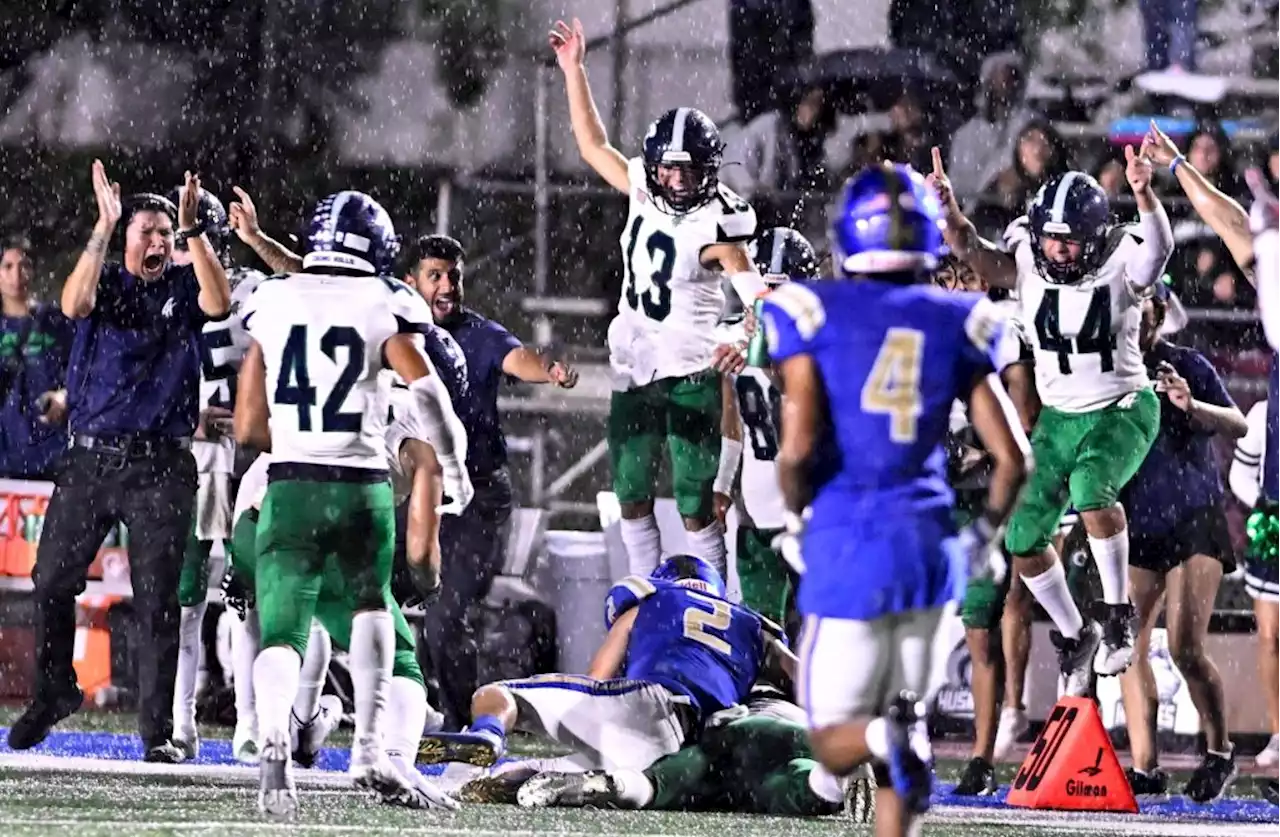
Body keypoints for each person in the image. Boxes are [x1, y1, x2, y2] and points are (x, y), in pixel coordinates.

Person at [763, 162, 1029, 834]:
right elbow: (1014, 457)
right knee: (897, 741)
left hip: (851, 539)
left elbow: (796, 450)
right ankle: (897, 743)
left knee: (832, 742)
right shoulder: (962, 317)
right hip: (932, 550)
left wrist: (798, 515)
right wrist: (985, 536)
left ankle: (888, 740)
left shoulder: (813, 309)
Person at [231, 190, 470, 816]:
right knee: (370, 606)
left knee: (281, 632)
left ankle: (274, 733)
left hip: (285, 485)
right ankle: (369, 748)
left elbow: (248, 422)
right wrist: (456, 467)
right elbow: (429, 397)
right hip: (360, 486)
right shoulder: (385, 302)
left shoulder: (276, 298)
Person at [6, 164, 231, 763]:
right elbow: (73, 302)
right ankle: (56, 688)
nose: (157, 242)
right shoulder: (103, 278)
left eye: (164, 233)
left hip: (161, 465)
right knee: (51, 579)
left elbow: (219, 299)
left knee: (157, 601)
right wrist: (103, 227)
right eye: (148, 232)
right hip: (90, 460)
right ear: (127, 237)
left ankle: (156, 734)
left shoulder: (182, 286)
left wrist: (192, 233)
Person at [931, 143, 1174, 693]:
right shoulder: (1025, 254)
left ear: (1094, 236)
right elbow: (973, 251)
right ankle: (1075, 634)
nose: (1059, 250)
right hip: (1059, 419)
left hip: (1123, 406)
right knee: (1021, 534)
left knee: (1093, 486)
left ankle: (1117, 616)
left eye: (1070, 240)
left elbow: (1158, 250)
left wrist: (1143, 193)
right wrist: (949, 212)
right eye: (1051, 238)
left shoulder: (1121, 254)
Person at [549, 18, 761, 580]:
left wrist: (742, 332)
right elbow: (594, 144)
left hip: (691, 374)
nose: (673, 180)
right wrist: (575, 71)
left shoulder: (720, 223)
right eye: (666, 167)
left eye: (686, 172)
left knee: (697, 509)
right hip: (635, 366)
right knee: (631, 495)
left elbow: (753, 291)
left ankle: (717, 601)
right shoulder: (642, 186)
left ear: (709, 173)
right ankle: (644, 595)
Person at [399, 233, 577, 730]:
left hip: (474, 496)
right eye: (434, 275)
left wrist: (551, 369)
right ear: (410, 282)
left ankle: (461, 729)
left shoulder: (479, 334)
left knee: (444, 620)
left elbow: (521, 359)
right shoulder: (391, 327)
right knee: (369, 601)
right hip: (413, 491)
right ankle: (403, 713)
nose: (447, 286)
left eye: (453, 275)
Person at [416, 555, 794, 780]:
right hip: (690, 745)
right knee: (543, 772)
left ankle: (487, 735)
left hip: (650, 701)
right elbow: (803, 679)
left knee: (496, 694)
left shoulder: (651, 597)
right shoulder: (753, 625)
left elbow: (597, 679)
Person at [1115, 283, 1245, 801]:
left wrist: (1192, 406)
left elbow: (1236, 423)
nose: (1137, 325)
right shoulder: (1107, 366)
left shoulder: (1186, 362)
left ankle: (1220, 751)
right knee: (1127, 649)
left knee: (1184, 647)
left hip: (1194, 513)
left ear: (1161, 313)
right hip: (1138, 517)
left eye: (1145, 314)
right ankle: (1146, 768)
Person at [167, 187, 266, 761]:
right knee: (185, 596)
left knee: (244, 594)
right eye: (182, 241)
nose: (184, 251)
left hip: (247, 460)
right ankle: (183, 721)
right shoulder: (160, 299)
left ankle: (250, 721)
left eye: (191, 238)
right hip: (193, 460)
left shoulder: (254, 293)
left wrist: (255, 414)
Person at [933, 255, 1036, 797]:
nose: (955, 287)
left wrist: (980, 451)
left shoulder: (1002, 331)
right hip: (925, 498)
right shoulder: (915, 330)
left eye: (965, 277)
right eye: (945, 277)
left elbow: (1025, 416)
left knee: (979, 631)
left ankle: (979, 755)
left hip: (975, 500)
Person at [713, 227, 818, 626]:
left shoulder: (821, 343)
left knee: (820, 631)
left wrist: (765, 354)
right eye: (765, 288)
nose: (771, 301)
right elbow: (731, 421)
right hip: (757, 508)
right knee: (761, 632)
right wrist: (723, 484)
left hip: (812, 508)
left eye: (783, 289)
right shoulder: (732, 336)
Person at [0, 237, 72, 480]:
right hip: (5, 453)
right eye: (7, 266)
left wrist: (64, 396)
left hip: (51, 452)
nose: (16, 275)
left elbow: (83, 372)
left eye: (24, 265)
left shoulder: (55, 321)